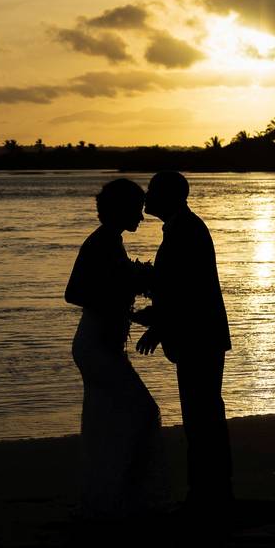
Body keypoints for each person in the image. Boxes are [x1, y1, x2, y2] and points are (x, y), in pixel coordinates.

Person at [65, 178, 168, 520]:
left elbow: (108, 292)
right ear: (122, 209)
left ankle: (108, 496)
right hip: (96, 345)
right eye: (137, 208)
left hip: (100, 344)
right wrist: (123, 293)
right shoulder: (101, 243)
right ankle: (122, 496)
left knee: (107, 418)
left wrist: (126, 303)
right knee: (142, 412)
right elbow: (75, 293)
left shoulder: (110, 242)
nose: (141, 215)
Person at [135, 171, 233, 514]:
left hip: (199, 338)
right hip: (199, 336)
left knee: (202, 418)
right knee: (203, 417)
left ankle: (208, 495)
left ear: (169, 197)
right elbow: (177, 289)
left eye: (152, 191)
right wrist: (154, 317)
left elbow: (186, 293)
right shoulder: (183, 227)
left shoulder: (185, 230)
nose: (146, 198)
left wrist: (157, 325)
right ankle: (210, 492)